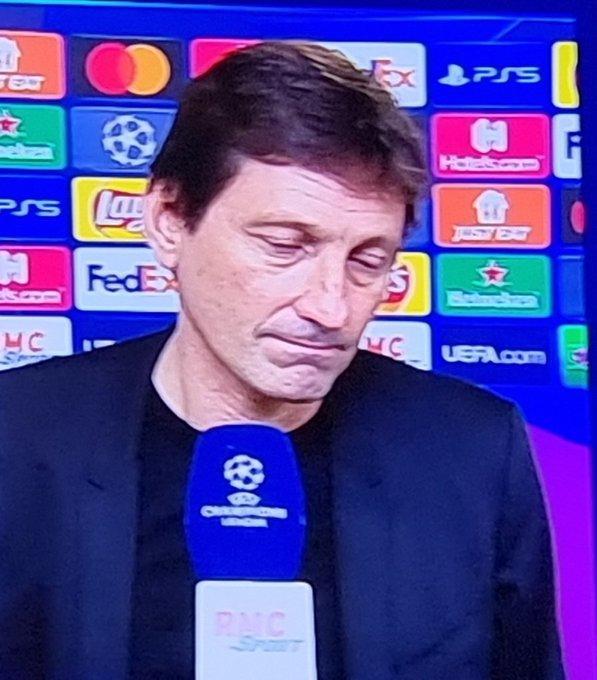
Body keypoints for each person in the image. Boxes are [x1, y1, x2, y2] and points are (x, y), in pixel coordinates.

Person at [0, 41, 564, 679]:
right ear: (168, 221)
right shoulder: (17, 436)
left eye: (367, 261)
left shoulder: (472, 451)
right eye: (285, 246)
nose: (331, 307)